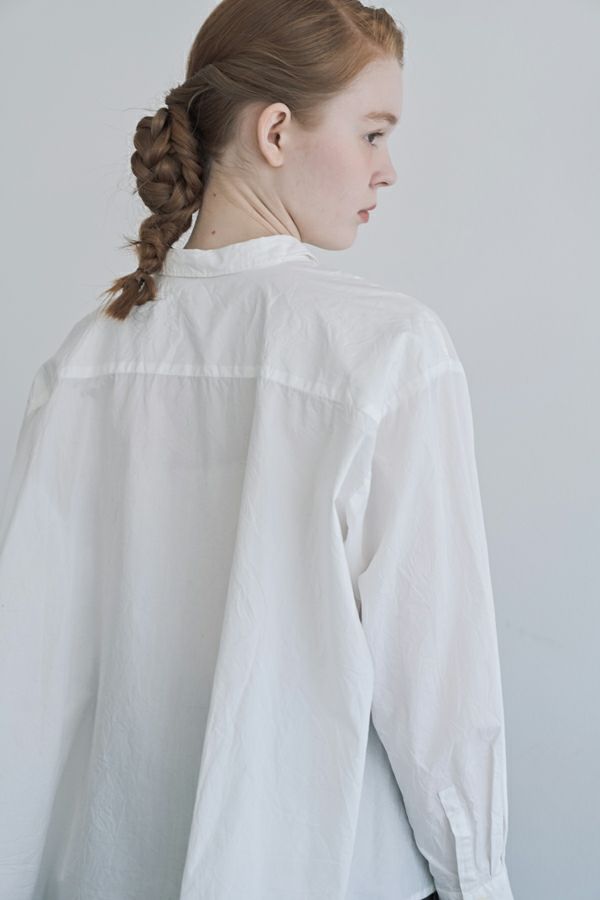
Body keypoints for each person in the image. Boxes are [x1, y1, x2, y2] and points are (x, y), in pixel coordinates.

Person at [0, 1, 515, 898]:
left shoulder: (84, 362)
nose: (387, 169)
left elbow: (28, 685)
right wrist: (479, 880)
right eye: (373, 132)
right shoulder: (387, 352)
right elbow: (439, 685)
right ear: (276, 131)